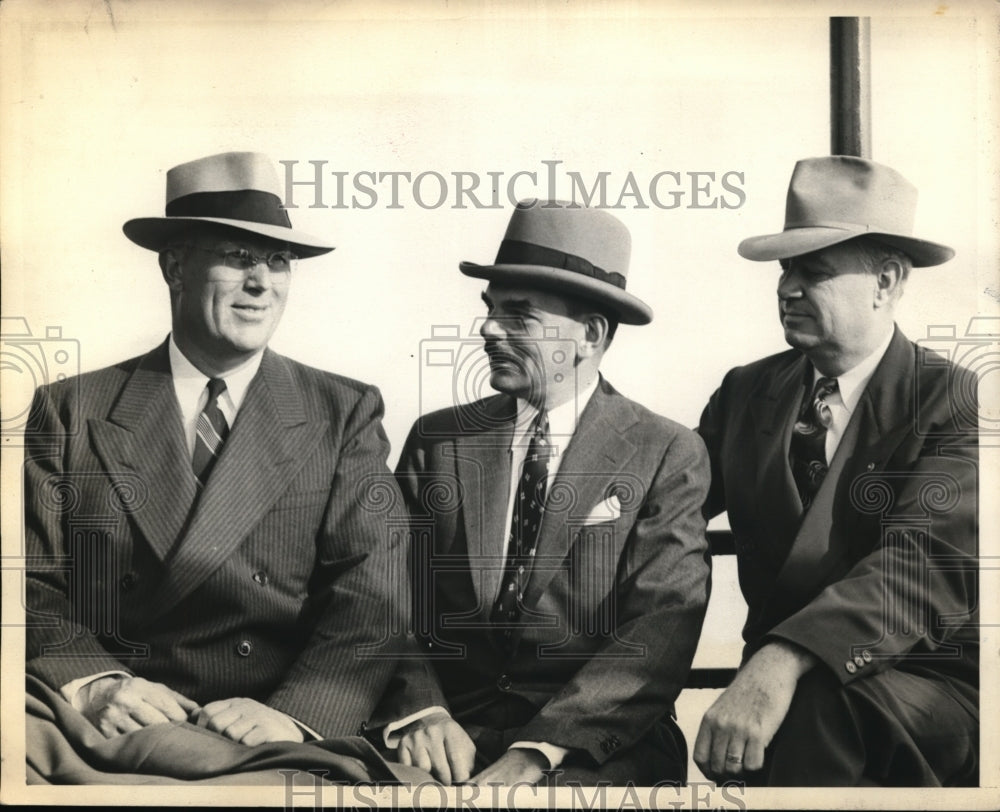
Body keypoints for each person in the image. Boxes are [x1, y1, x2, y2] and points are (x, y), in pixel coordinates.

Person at [23, 152, 410, 779]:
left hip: (270, 732)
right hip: (107, 723)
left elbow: (373, 596)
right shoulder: (71, 408)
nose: (262, 282)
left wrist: (294, 714)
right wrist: (95, 682)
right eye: (238, 256)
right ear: (175, 266)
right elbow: (27, 582)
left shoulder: (342, 411)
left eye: (278, 261)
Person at [373, 201, 711, 786]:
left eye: (519, 315)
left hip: (592, 748)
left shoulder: (664, 452)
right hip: (447, 734)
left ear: (590, 335)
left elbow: (658, 631)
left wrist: (540, 751)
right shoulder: (438, 441)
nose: (488, 329)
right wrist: (421, 709)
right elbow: (385, 595)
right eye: (490, 309)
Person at [694, 156, 979, 786]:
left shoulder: (955, 401)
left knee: (818, 712)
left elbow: (919, 568)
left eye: (813, 271)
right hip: (778, 693)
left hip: (921, 685)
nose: (786, 288)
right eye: (785, 269)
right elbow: (667, 498)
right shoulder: (746, 392)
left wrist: (783, 659)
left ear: (886, 281)